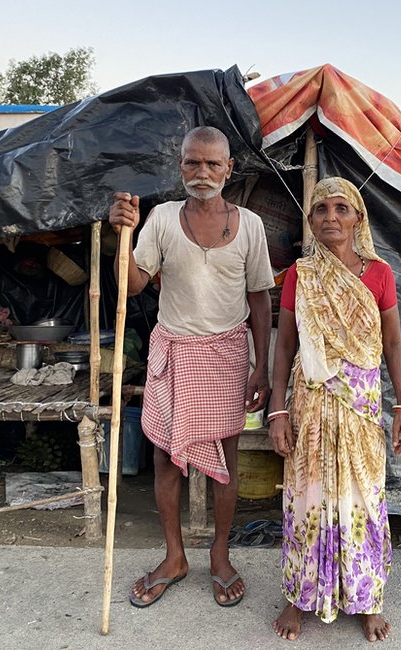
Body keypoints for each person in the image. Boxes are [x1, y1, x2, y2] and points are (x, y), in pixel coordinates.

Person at [108, 126, 274, 608]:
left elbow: (260, 300)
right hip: (173, 353)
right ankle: (175, 556)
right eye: (192, 163)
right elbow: (134, 285)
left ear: (229, 169)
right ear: (180, 166)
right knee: (163, 457)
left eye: (212, 164)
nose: (202, 173)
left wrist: (260, 367)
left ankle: (220, 555)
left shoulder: (250, 226)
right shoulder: (159, 218)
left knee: (225, 461)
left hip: (226, 354)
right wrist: (122, 237)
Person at [268, 177, 401, 641]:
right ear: (310, 221)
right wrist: (277, 410)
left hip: (362, 407)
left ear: (357, 218)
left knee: (363, 500)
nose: (331, 217)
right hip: (311, 403)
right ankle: (298, 597)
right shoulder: (301, 276)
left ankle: (367, 598)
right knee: (307, 497)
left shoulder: (379, 274)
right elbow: (286, 344)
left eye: (341, 208)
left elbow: (392, 342)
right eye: (321, 209)